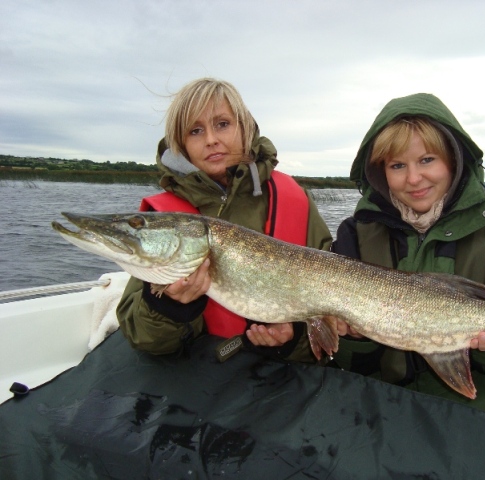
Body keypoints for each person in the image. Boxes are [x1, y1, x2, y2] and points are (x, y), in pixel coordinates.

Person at [328, 93, 485, 438]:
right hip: (390, 392)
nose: (414, 178)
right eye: (397, 166)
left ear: (454, 159)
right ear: (380, 172)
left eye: (427, 160)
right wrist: (350, 336)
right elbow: (351, 360)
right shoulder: (357, 231)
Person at [116, 78, 332, 358]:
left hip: (287, 378)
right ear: (181, 145)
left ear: (245, 129)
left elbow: (331, 319)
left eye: (222, 124)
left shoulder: (295, 198)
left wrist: (293, 337)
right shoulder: (165, 223)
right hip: (205, 379)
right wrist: (169, 306)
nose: (211, 140)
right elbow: (143, 339)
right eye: (195, 131)